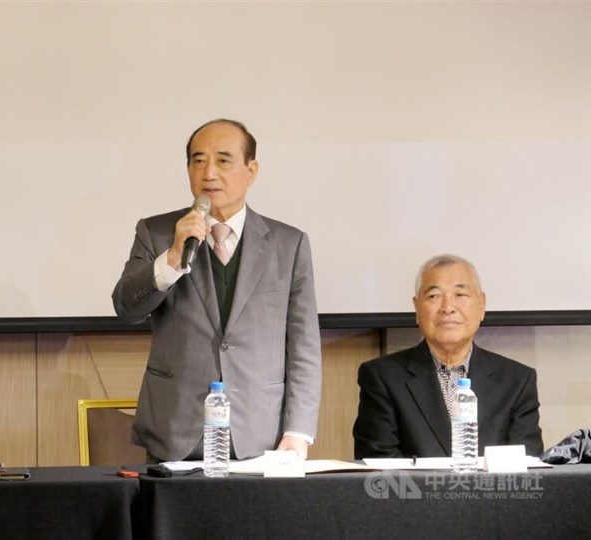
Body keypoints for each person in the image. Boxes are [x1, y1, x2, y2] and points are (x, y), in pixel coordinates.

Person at [112, 119, 322, 462]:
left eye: (223, 160)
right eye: (198, 161)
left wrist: (297, 432)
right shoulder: (157, 232)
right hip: (176, 431)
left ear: (251, 171)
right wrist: (173, 258)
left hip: (260, 435)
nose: (209, 173)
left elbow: (304, 346)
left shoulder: (289, 244)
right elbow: (126, 307)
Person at [353, 254, 543, 459]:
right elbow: (378, 465)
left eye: (460, 294)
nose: (448, 307)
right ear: (417, 308)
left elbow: (526, 466)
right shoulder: (382, 378)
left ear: (482, 305)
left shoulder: (517, 381)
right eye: (434, 296)